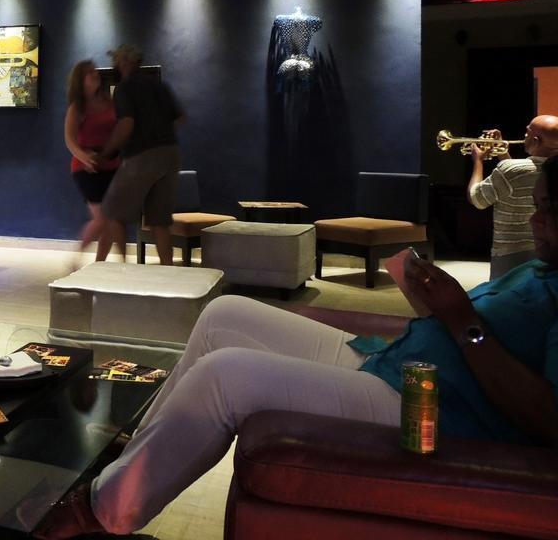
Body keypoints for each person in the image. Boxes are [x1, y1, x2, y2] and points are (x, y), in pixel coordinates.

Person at [37, 156, 558, 539]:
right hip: (389, 359)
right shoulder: (539, 269)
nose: (534, 221)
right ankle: (131, 456)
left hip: (423, 404)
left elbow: (547, 420)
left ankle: (102, 511)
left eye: (546, 211)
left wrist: (461, 317)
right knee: (223, 314)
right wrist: (434, 307)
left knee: (224, 377)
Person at [92, 45, 183, 264]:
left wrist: (105, 153)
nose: (115, 65)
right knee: (160, 222)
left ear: (124, 62)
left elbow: (126, 124)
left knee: (112, 212)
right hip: (170, 154)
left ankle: (113, 267)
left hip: (141, 156)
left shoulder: (125, 88)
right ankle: (169, 273)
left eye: (116, 60)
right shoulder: (159, 86)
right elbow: (179, 118)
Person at [468, 115, 558, 279]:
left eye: (527, 132)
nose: (524, 136)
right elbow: (515, 179)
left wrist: (478, 161)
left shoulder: (511, 170)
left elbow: (477, 198)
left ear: (536, 141)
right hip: (549, 251)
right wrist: (503, 153)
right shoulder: (547, 172)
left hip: (509, 256)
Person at [64, 60, 123, 260]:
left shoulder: (109, 101)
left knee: (111, 219)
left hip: (111, 165)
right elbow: (70, 140)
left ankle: (99, 263)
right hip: (86, 169)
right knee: (101, 219)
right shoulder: (77, 107)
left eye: (95, 71)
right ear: (80, 80)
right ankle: (76, 259)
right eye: (89, 73)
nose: (95, 74)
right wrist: (86, 158)